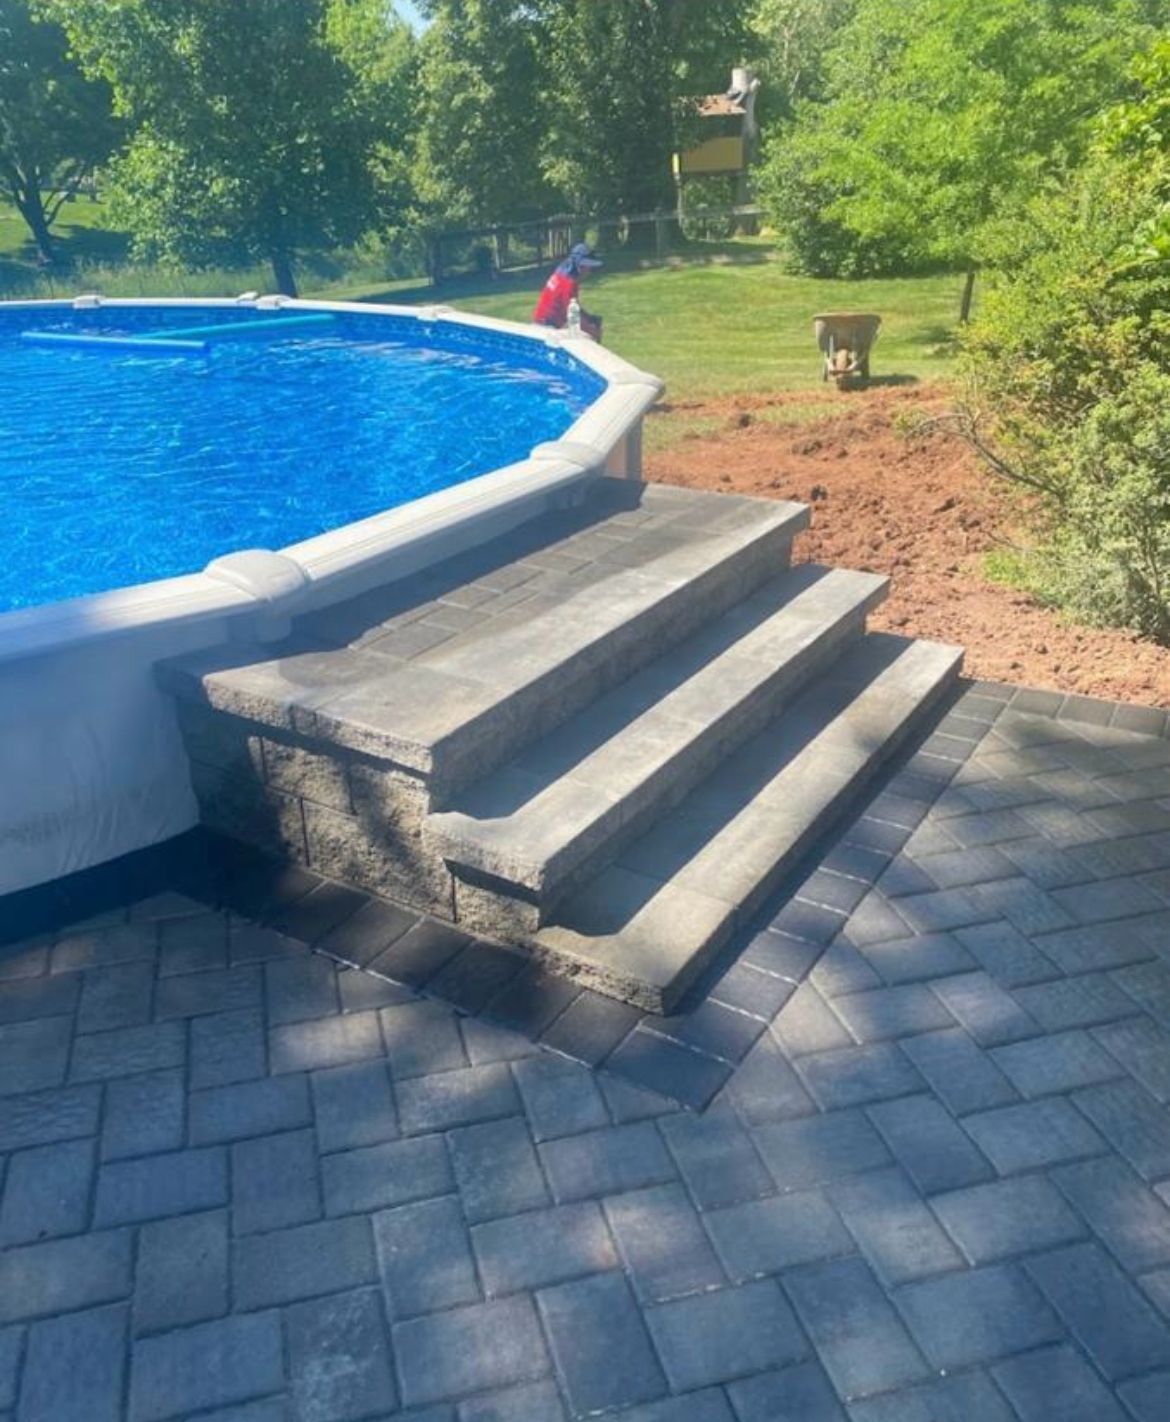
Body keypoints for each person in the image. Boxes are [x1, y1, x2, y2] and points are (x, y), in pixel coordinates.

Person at [533, 241, 603, 340]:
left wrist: (588, 318)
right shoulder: (568, 284)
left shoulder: (561, 274)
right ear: (579, 267)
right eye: (589, 268)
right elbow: (574, 319)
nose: (589, 272)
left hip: (542, 324)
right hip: (546, 329)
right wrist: (594, 333)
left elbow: (574, 309)